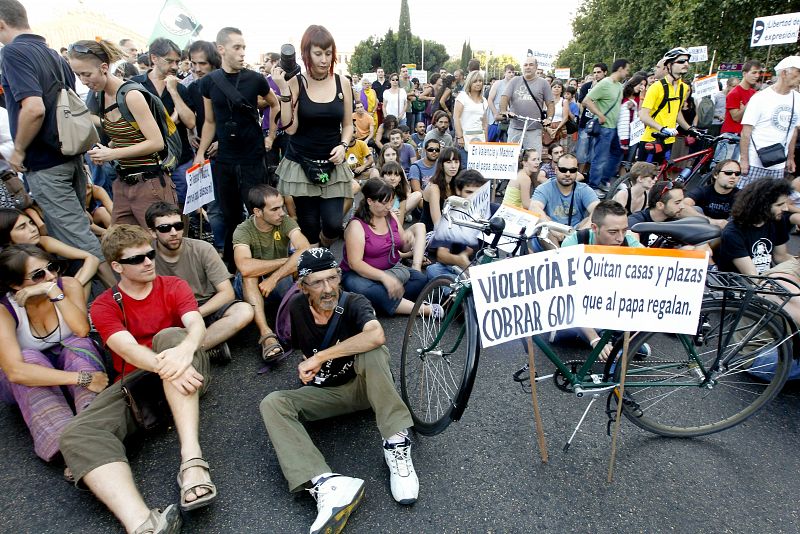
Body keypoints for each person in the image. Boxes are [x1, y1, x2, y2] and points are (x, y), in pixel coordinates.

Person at [59, 224, 217, 534]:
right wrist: (168, 366)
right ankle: (144, 523)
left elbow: (195, 325)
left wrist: (184, 351)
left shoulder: (173, 285)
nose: (148, 262)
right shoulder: (105, 304)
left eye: (150, 254)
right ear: (116, 266)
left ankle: (192, 462)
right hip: (142, 379)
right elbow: (126, 349)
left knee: (170, 335)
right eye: (137, 259)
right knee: (76, 435)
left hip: (188, 367)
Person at [259, 247, 419, 534]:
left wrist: (320, 357)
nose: (328, 288)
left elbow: (376, 334)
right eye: (318, 282)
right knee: (272, 403)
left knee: (374, 349)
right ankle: (326, 484)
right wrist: (308, 369)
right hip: (328, 393)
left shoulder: (355, 301)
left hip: (364, 387)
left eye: (333, 278)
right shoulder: (295, 308)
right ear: (302, 286)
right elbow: (301, 349)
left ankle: (396, 443)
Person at [0, 1, 105, 263]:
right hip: (70, 156)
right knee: (76, 231)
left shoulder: (13, 52)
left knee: (76, 237)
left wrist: (19, 151)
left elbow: (34, 108)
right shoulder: (53, 54)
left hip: (46, 163)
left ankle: (119, 298)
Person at [0, 244, 107, 463]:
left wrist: (53, 292)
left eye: (52, 267)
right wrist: (82, 378)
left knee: (78, 343)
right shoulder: (5, 309)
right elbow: (15, 372)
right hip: (30, 378)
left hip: (69, 357)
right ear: (15, 284)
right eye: (39, 275)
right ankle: (69, 449)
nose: (51, 276)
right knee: (29, 357)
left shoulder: (66, 285)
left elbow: (82, 330)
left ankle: (96, 426)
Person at [68, 40, 178, 230]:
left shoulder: (131, 95)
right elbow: (128, 135)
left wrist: (112, 154)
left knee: (160, 245)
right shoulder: (101, 95)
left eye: (87, 74)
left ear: (103, 68)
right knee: (124, 244)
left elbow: (156, 142)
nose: (84, 81)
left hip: (150, 183)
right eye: (78, 75)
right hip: (123, 183)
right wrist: (106, 149)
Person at [194, 27, 277, 266]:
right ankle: (233, 265)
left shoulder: (255, 79)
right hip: (225, 160)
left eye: (244, 48)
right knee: (230, 216)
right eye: (236, 48)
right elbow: (210, 121)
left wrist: (269, 136)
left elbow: (274, 104)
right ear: (221, 49)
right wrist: (200, 153)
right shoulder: (208, 82)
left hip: (252, 157)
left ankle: (262, 261)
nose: (242, 53)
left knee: (258, 213)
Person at [272, 25, 354, 248]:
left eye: (328, 53)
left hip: (332, 164)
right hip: (301, 164)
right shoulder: (296, 82)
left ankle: (321, 252)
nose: (324, 60)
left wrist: (344, 145)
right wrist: (284, 90)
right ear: (306, 53)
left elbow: (348, 125)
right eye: (318, 53)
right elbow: (289, 128)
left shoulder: (342, 82)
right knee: (308, 225)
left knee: (333, 224)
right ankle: (314, 264)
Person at [146, 202, 254, 362]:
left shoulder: (202, 248)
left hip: (206, 307)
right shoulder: (146, 258)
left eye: (178, 225)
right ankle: (208, 348)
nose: (174, 232)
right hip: (173, 314)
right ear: (153, 232)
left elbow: (227, 293)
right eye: (164, 228)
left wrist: (194, 314)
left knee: (244, 311)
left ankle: (189, 351)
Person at [233, 184, 310, 361]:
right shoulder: (243, 230)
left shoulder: (285, 221)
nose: (282, 212)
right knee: (249, 276)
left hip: (278, 280)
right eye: (274, 209)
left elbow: (304, 250)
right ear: (258, 212)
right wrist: (285, 261)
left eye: (282, 206)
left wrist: (273, 278)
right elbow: (244, 266)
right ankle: (266, 335)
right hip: (246, 287)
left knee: (304, 266)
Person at [341, 179, 427, 316]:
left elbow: (403, 248)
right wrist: (383, 277)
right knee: (366, 289)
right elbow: (355, 263)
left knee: (420, 279)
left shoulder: (391, 216)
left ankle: (379, 305)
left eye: (391, 201)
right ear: (370, 201)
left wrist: (409, 240)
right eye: (384, 202)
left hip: (391, 269)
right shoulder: (357, 225)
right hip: (359, 275)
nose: (389, 206)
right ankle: (422, 310)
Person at [132, 38, 196, 207]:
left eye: (177, 61)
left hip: (179, 159)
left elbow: (190, 122)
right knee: (150, 208)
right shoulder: (135, 85)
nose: (174, 66)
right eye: (169, 61)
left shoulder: (180, 87)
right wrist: (172, 120)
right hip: (147, 161)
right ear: (154, 58)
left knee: (182, 206)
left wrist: (174, 92)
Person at [0, 208, 115, 300]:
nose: (33, 229)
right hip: (32, 304)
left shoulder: (43, 241)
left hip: (60, 293)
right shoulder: (7, 263)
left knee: (81, 265)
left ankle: (77, 316)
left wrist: (74, 285)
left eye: (31, 223)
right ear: (6, 235)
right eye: (22, 227)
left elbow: (91, 258)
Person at [738, 56, 800, 189]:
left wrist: (790, 157)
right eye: (798, 72)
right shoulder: (761, 98)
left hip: (778, 162)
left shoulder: (798, 99)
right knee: (746, 201)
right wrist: (744, 160)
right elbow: (746, 132)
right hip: (754, 161)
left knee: (769, 203)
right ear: (784, 73)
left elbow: (793, 131)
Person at [716, 179, 795, 275]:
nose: (785, 208)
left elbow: (781, 257)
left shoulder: (776, 221)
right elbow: (751, 275)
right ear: (762, 206)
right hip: (741, 284)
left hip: (768, 279)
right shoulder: (733, 233)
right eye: (779, 205)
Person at [636, 47, 694, 164]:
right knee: (643, 177)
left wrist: (690, 129)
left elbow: (676, 113)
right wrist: (662, 128)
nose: (686, 64)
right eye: (681, 61)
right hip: (652, 139)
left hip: (669, 141)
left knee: (660, 175)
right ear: (669, 65)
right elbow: (643, 115)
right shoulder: (656, 87)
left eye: (687, 61)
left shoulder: (684, 88)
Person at [582, 59, 629, 190]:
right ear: (620, 69)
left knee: (617, 153)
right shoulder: (605, 83)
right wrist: (600, 114)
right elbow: (587, 100)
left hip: (614, 127)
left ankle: (604, 180)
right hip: (604, 128)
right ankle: (594, 186)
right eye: (626, 69)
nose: (627, 72)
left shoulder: (619, 86)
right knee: (600, 158)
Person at [500, 56, 554, 154]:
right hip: (515, 127)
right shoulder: (515, 81)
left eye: (531, 65)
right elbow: (504, 97)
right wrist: (504, 111)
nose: (528, 67)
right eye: (525, 65)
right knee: (511, 157)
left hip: (534, 129)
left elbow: (550, 103)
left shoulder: (543, 83)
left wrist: (549, 118)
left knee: (534, 158)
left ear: (536, 67)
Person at [531, 153, 599, 228]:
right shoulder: (545, 188)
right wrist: (551, 228)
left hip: (575, 231)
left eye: (572, 170)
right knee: (544, 220)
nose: (568, 174)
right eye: (563, 170)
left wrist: (580, 233)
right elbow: (534, 207)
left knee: (590, 219)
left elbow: (599, 209)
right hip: (552, 231)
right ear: (556, 170)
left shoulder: (583, 189)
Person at [683, 159, 741, 228]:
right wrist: (713, 222)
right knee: (696, 209)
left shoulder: (742, 196)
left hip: (726, 234)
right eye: (728, 173)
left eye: (737, 174)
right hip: (702, 230)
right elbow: (682, 207)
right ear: (716, 175)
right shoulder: (703, 191)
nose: (733, 176)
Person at [628, 180, 687, 246]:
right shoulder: (637, 220)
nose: (682, 206)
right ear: (660, 205)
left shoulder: (676, 222)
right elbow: (630, 236)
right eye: (677, 203)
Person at [421, 146, 461, 232]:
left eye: (456, 162)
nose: (453, 166)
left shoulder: (457, 184)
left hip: (451, 228)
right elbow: (437, 223)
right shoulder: (434, 187)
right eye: (449, 162)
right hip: (431, 232)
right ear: (441, 164)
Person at [454, 70, 488, 163]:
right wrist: (460, 137)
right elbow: (456, 117)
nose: (478, 83)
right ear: (470, 82)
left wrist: (486, 141)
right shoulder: (462, 97)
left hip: (479, 139)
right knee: (465, 168)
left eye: (480, 81)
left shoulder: (484, 100)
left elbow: (485, 123)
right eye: (475, 81)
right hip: (464, 139)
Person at [617, 74, 648, 161]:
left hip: (634, 133)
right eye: (640, 84)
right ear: (634, 82)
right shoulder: (622, 94)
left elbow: (641, 114)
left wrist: (641, 97)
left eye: (644, 85)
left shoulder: (641, 98)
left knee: (628, 161)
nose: (642, 87)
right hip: (620, 131)